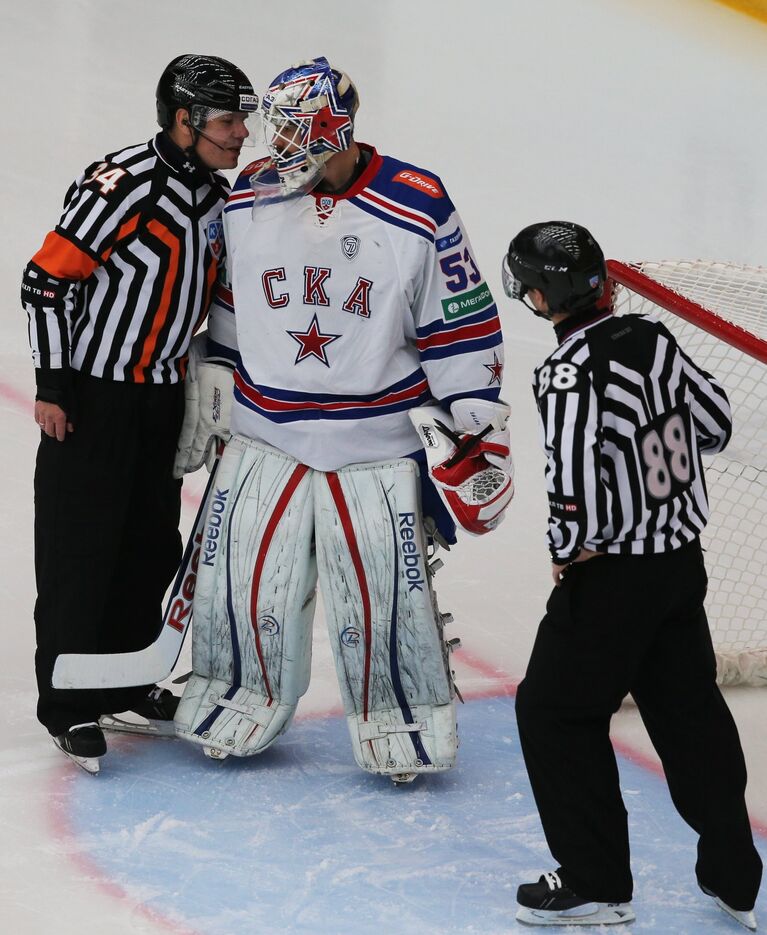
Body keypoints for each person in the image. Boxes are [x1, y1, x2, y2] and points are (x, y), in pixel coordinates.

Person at [172, 56, 514, 782]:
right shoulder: (251, 196)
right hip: (265, 429)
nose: (278, 150)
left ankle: (402, 713)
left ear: (337, 133)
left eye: (299, 136)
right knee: (239, 577)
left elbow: (458, 319)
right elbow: (231, 301)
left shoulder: (416, 205)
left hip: (377, 436)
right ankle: (237, 689)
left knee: (384, 589)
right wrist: (215, 367)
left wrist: (475, 420)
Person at [501, 221, 762, 928]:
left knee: (552, 711)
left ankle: (594, 881)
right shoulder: (651, 338)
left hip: (612, 576)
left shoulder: (564, 371)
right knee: (689, 714)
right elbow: (712, 423)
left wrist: (566, 547)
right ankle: (735, 876)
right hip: (680, 567)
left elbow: (575, 482)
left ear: (539, 293)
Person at [21, 53, 258, 774]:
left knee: (148, 541)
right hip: (94, 397)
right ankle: (67, 703)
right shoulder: (123, 183)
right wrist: (55, 385)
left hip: (161, 394)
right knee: (79, 549)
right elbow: (45, 280)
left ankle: (122, 680)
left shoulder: (217, 197)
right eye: (226, 119)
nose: (241, 133)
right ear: (183, 119)